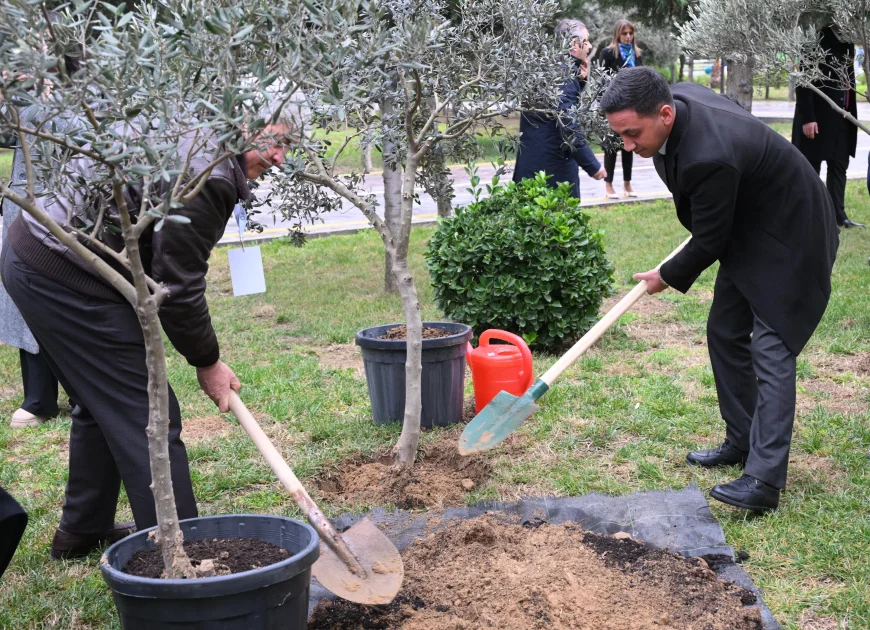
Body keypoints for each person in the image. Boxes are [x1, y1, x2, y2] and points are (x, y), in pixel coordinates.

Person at [1, 109, 294, 559]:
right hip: (63, 274)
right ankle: (182, 556)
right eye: (274, 142)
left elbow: (162, 273)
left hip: (37, 254)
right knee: (149, 414)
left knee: (103, 404)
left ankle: (82, 532)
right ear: (241, 127)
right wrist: (207, 361)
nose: (278, 157)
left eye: (288, 147)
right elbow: (178, 286)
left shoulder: (196, 141)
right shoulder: (208, 174)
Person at [601, 67, 838, 513]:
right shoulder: (679, 105)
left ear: (665, 113)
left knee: (772, 347)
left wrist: (666, 274)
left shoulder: (709, 155)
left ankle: (764, 482)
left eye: (632, 134)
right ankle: (742, 438)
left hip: (794, 232)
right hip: (749, 226)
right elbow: (713, 226)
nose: (627, 146)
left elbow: (708, 240)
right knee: (724, 331)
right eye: (620, 137)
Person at [1, 108, 80, 430]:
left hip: (71, 202)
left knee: (68, 296)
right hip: (21, 203)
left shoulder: (78, 87)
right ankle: (38, 396)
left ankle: (82, 392)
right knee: (24, 297)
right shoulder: (22, 92)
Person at [512, 19, 607, 198]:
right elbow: (568, 123)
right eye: (586, 41)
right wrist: (592, 166)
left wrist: (580, 82)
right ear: (573, 45)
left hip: (529, 168)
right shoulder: (565, 75)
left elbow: (553, 109)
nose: (589, 46)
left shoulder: (543, 68)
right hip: (552, 174)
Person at [792, 24, 864, 229]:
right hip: (818, 118)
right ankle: (808, 215)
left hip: (843, 116)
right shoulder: (814, 39)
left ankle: (837, 215)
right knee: (811, 168)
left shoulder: (848, 41)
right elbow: (803, 81)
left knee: (839, 166)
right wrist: (808, 118)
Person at [598, 19, 642, 199]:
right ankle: (608, 185)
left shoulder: (637, 54)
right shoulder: (608, 53)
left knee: (628, 146)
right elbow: (601, 81)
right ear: (617, 34)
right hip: (613, 107)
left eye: (630, 33)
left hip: (632, 109)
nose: (628, 37)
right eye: (624, 33)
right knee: (611, 146)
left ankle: (627, 183)